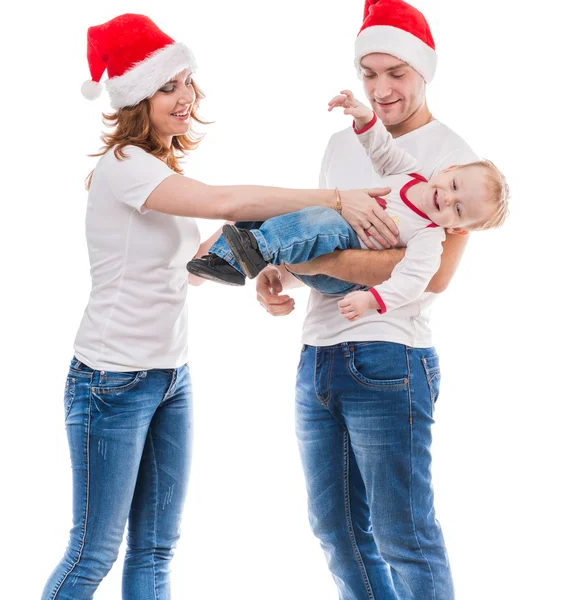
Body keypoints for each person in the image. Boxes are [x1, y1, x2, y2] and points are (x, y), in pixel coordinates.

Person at [41, 13, 393, 600]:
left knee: (154, 549)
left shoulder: (156, 168)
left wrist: (248, 258)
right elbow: (222, 198)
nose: (186, 98)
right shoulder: (125, 165)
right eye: (168, 87)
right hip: (111, 380)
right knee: (92, 552)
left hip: (168, 374)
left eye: (187, 83)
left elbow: (183, 268)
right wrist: (335, 198)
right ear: (135, 99)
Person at [256, 1, 486, 598]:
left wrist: (309, 260)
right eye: (369, 74)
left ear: (424, 72)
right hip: (318, 354)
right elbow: (332, 237)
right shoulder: (342, 142)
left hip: (389, 357)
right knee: (336, 532)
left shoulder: (455, 159)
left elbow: (433, 276)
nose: (381, 89)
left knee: (403, 535)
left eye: (396, 74)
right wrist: (280, 270)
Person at [187, 90, 508, 323]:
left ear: (457, 228)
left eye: (459, 210)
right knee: (276, 208)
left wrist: (372, 300)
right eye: (453, 187)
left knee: (326, 219)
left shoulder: (428, 237)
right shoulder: (408, 174)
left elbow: (413, 282)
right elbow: (381, 148)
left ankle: (253, 250)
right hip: (322, 240)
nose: (448, 199)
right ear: (449, 171)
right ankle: (223, 260)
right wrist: (364, 116)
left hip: (339, 276)